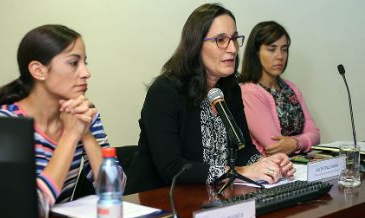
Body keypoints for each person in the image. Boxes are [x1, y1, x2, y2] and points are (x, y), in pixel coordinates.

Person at [126, 4, 295, 194]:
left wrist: (266, 163)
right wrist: (240, 172)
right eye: (221, 40)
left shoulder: (230, 89)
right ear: (196, 45)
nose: (232, 48)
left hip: (213, 198)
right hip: (158, 205)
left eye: (234, 39)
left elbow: (244, 149)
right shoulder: (164, 92)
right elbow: (171, 168)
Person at [0, 24, 120, 208]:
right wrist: (70, 136)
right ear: (39, 71)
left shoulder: (82, 114)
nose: (86, 73)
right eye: (73, 63)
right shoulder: (5, 123)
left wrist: (85, 134)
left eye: (84, 63)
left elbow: (115, 189)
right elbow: (31, 208)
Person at [240, 21, 320, 156]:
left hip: (301, 167)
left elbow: (316, 134)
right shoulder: (248, 92)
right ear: (256, 52)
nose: (280, 56)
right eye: (272, 49)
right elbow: (274, 146)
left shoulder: (290, 88)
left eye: (284, 49)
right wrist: (304, 141)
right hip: (272, 172)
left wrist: (295, 143)